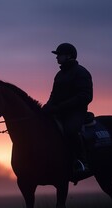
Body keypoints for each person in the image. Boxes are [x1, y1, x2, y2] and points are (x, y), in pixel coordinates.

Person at [42, 43, 93, 176]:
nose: (57, 57)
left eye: (59, 55)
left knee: (71, 131)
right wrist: (47, 107)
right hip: (60, 112)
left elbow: (85, 96)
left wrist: (60, 107)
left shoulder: (81, 72)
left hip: (76, 113)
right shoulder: (59, 74)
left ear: (69, 56)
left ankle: (82, 162)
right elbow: (54, 95)